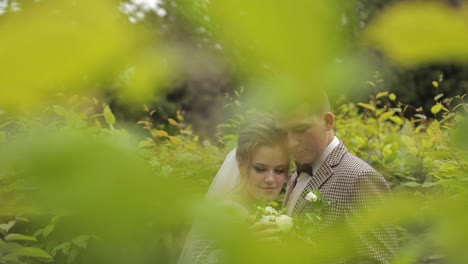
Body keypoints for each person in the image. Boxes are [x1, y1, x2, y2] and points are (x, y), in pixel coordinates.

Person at [276, 91, 398, 264]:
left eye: (301, 129)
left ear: (328, 122)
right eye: (283, 133)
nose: (291, 143)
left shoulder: (360, 178)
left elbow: (378, 260)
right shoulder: (297, 173)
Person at [178, 112, 291, 264]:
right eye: (260, 169)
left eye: (279, 170)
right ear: (241, 165)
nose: (270, 179)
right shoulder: (223, 214)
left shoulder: (256, 208)